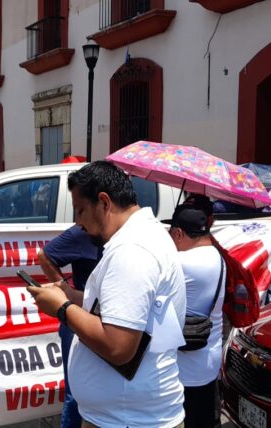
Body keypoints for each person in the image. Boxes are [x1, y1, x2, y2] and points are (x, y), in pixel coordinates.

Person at [27, 161, 187, 427]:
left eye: (80, 210)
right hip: (126, 416)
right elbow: (116, 308)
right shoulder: (140, 237)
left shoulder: (132, 250)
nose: (77, 222)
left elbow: (118, 346)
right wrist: (67, 293)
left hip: (127, 420)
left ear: (104, 202)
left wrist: (63, 309)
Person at [164, 198, 224, 428]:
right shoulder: (217, 256)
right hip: (209, 360)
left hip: (186, 368)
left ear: (179, 233)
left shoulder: (183, 262)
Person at [38, 225, 103, 428]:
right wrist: (65, 288)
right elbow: (45, 256)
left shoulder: (124, 237)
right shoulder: (83, 231)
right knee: (76, 394)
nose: (79, 218)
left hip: (104, 322)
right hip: (77, 320)